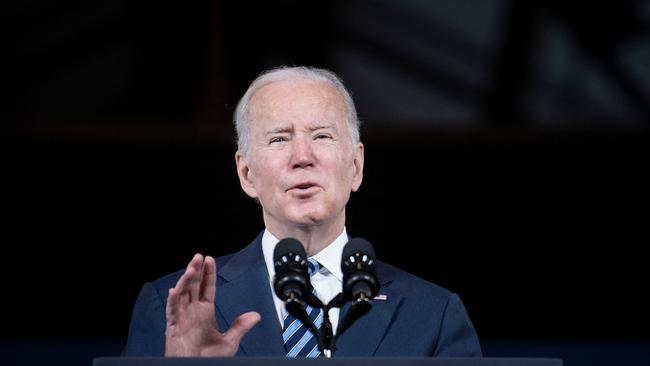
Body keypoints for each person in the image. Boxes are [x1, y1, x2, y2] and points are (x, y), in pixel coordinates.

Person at [123, 66, 482, 357]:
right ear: (246, 174)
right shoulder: (172, 308)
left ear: (355, 166)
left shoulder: (433, 315)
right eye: (279, 139)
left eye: (322, 136)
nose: (302, 157)